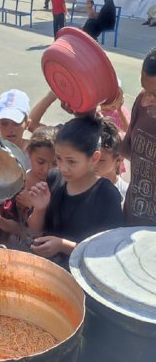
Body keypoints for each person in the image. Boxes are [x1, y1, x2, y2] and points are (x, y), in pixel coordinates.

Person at [28, 117, 124, 268]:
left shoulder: (107, 195)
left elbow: (108, 252)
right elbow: (35, 230)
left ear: (94, 158)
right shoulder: (54, 178)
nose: (63, 167)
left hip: (81, 275)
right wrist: (39, 209)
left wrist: (63, 246)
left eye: (71, 161)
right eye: (58, 158)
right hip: (47, 267)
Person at [121, 46, 156, 226]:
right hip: (132, 220)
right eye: (145, 90)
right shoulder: (143, 104)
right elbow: (129, 150)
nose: (145, 100)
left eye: (154, 95)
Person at [0, 89, 31, 166]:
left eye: (16, 123)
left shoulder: (36, 153)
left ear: (27, 124)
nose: (10, 129)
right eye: (4, 123)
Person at [96, 119, 128, 204]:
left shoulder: (126, 194)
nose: (93, 163)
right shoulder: (80, 188)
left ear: (119, 159)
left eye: (100, 160)